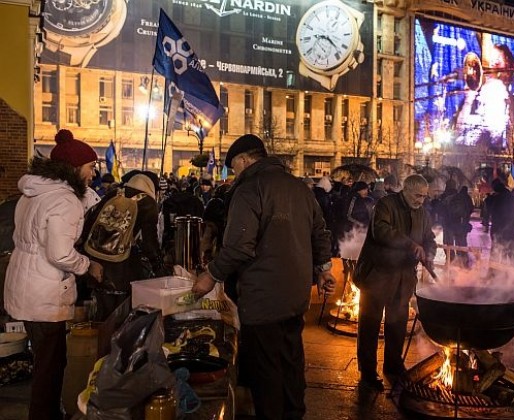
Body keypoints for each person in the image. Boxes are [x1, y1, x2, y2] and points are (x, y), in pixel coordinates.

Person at [191, 134, 336, 419]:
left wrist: (210, 275)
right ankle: (294, 412)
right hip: (295, 294)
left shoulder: (249, 189)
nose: (234, 173)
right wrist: (324, 269)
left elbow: (238, 246)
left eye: (234, 166)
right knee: (291, 357)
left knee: (265, 367)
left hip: (262, 296)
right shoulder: (299, 188)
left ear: (244, 160)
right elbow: (320, 232)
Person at [4, 129, 103, 420]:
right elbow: (59, 254)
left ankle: (48, 411)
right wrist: (88, 266)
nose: (93, 173)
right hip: (43, 292)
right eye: (90, 167)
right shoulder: (65, 200)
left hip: (24, 286)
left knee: (45, 361)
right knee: (50, 368)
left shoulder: (32, 193)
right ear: (74, 168)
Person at [353, 174, 437, 390]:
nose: (421, 200)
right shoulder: (386, 204)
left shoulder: (423, 213)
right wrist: (410, 244)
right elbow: (381, 231)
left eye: (424, 197)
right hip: (377, 275)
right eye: (418, 195)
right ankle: (368, 372)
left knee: (397, 324)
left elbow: (429, 239)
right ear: (406, 190)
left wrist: (428, 253)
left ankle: (393, 365)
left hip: (403, 277)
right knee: (370, 325)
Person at [82, 172, 168, 321]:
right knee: (120, 320)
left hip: (97, 265)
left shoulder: (114, 194)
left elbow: (90, 222)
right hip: (122, 269)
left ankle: (100, 343)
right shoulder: (148, 203)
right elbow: (150, 244)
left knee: (102, 318)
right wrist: (160, 269)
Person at [454, 43, 514, 151]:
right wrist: (468, 100)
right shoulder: (474, 93)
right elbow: (458, 131)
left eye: (497, 61)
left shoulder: (506, 98)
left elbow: (496, 138)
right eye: (489, 60)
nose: (491, 65)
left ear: (507, 66)